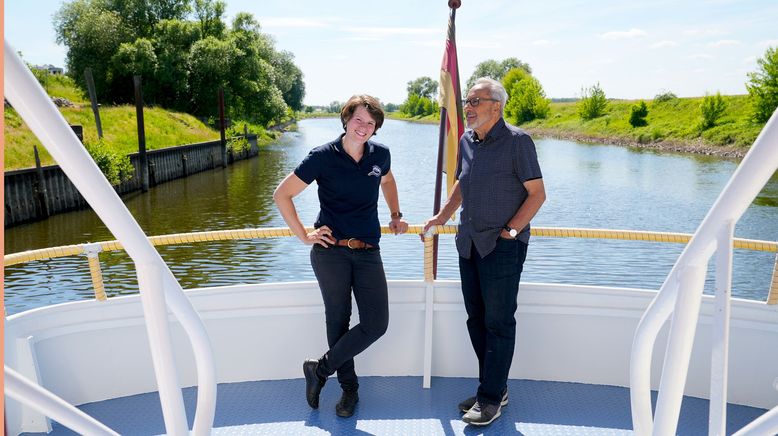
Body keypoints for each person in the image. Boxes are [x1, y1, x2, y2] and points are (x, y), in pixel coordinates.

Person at [273, 94, 409, 418]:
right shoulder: (322, 157)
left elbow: (388, 180)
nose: (364, 127)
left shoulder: (380, 155)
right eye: (359, 120)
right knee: (338, 321)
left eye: (370, 123)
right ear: (346, 119)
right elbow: (282, 194)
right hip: (329, 252)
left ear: (376, 129)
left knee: (377, 323)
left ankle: (319, 370)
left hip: (368, 251)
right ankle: (350, 390)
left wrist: (395, 213)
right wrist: (304, 235)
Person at [423, 77, 546, 426]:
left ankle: (491, 398)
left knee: (499, 323)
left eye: (476, 101)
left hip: (502, 246)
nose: (469, 107)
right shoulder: (466, 139)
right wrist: (442, 216)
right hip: (469, 243)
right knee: (476, 319)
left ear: (497, 105)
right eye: (467, 101)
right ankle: (494, 388)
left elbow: (537, 193)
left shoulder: (518, 142)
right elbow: (463, 180)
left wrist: (511, 230)